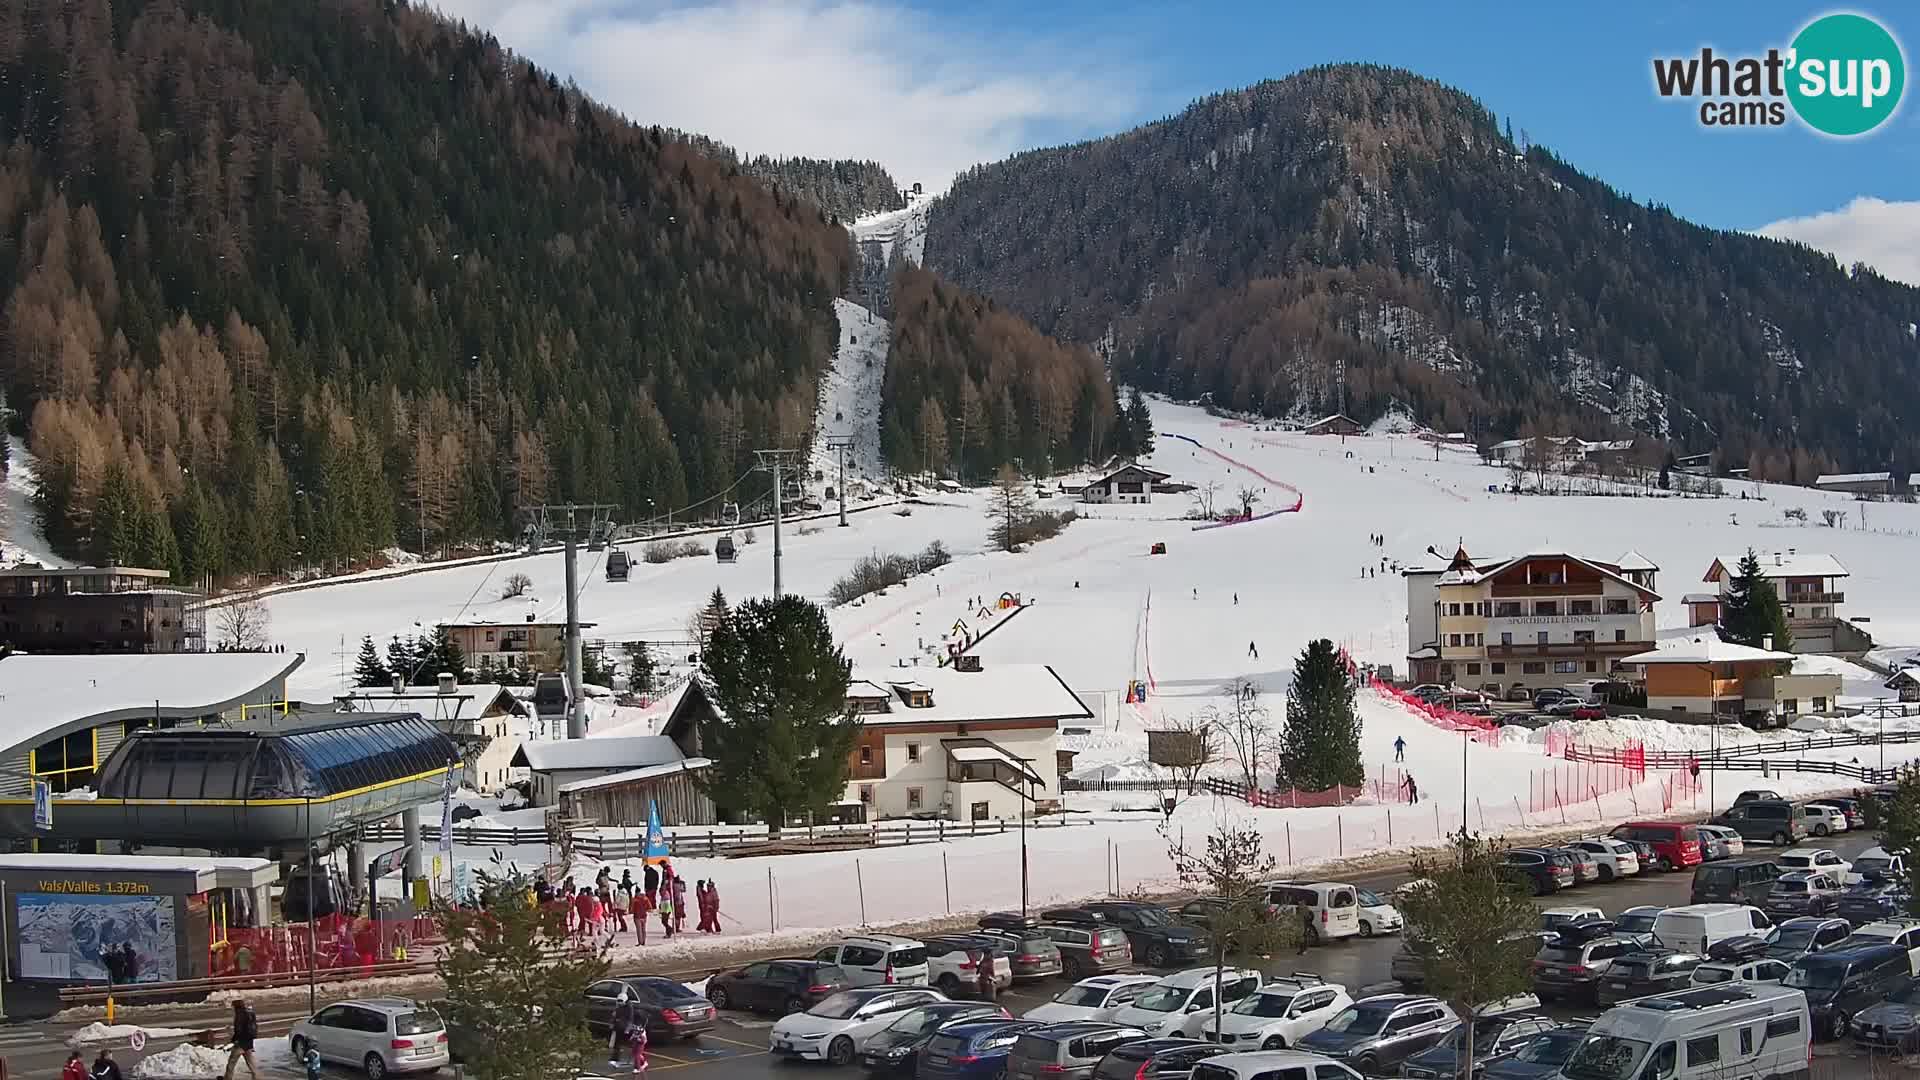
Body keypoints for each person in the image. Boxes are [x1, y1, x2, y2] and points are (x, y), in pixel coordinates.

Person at [224, 1000, 259, 1080]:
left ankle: (227, 1078)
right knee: (251, 1063)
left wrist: (233, 1041)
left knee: (231, 1063)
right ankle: (256, 1077)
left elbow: (238, 1030)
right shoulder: (250, 1013)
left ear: (236, 1007)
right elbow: (254, 1027)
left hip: (240, 1043)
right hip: (249, 1042)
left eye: (233, 1006)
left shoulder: (239, 1015)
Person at [610, 992, 636, 1067]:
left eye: (621, 1002)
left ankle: (635, 1057)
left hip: (624, 1027)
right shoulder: (619, 1006)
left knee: (626, 1043)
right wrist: (613, 1022)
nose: (619, 1003)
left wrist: (628, 1029)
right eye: (618, 1002)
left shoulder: (629, 1008)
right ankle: (615, 1058)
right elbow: (615, 1015)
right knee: (617, 1043)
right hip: (619, 1026)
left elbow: (630, 1019)